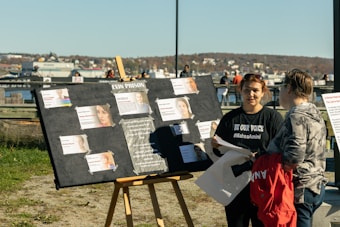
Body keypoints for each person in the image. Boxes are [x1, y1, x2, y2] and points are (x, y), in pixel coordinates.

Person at [211, 73, 284, 227]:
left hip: (263, 183)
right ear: (240, 91)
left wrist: (261, 156)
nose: (251, 94)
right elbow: (218, 151)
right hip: (235, 184)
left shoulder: (272, 118)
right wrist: (215, 145)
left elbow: (281, 150)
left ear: (263, 92)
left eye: (255, 90)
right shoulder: (230, 118)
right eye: (247, 90)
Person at [266, 69, 327, 227]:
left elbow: (295, 155)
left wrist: (276, 165)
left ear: (289, 88)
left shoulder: (296, 116)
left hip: (301, 188)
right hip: (316, 184)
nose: (279, 92)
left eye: (281, 87)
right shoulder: (315, 113)